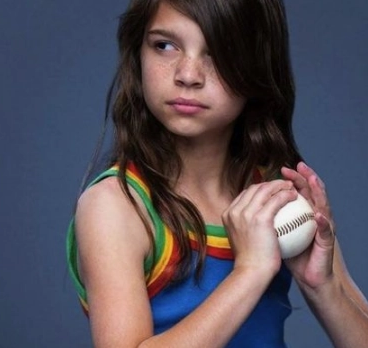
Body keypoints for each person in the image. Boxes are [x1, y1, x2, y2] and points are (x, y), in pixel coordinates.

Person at [66, 0, 368, 346]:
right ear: (138, 52)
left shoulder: (276, 200)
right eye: (165, 45)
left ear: (257, 64)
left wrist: (323, 286)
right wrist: (249, 272)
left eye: (218, 51)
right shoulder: (117, 206)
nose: (188, 75)